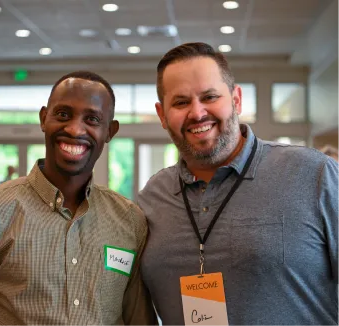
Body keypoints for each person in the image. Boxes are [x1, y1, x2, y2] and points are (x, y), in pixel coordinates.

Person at [0, 71, 157, 325]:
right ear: (43, 118)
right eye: (63, 114)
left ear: (110, 131)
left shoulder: (129, 220)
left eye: (92, 119)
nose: (74, 129)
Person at [138, 42, 339, 326]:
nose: (197, 113)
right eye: (181, 102)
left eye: (209, 96)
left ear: (236, 100)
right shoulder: (152, 198)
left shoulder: (314, 175)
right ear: (162, 115)